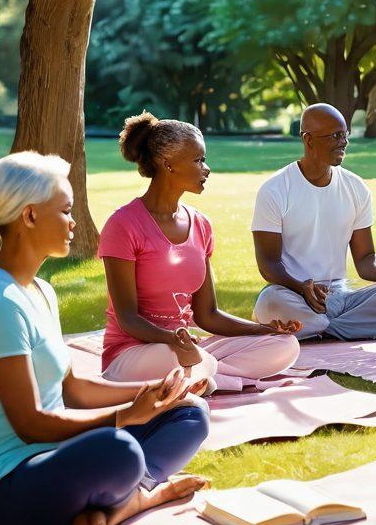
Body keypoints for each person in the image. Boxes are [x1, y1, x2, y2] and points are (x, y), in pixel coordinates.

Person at [0, 152, 210, 525]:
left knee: (191, 414)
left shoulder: (41, 290)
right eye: (65, 211)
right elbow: (30, 425)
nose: (74, 222)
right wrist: (125, 416)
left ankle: (112, 504)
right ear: (29, 216)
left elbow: (72, 390)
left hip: (56, 455)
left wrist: (159, 394)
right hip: (2, 484)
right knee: (119, 449)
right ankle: (140, 499)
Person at [99, 113, 301, 392]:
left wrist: (263, 329)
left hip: (188, 349)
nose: (207, 169)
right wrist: (172, 339)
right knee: (180, 358)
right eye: (198, 160)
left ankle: (203, 379)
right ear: (167, 164)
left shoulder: (201, 225)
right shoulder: (123, 225)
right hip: (135, 353)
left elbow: (208, 314)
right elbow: (128, 318)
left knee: (285, 346)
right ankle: (213, 377)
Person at [252, 103, 376, 339]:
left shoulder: (356, 188)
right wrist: (303, 287)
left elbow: (366, 259)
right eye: (336, 136)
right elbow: (268, 264)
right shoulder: (275, 190)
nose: (344, 142)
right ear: (309, 140)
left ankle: (321, 330)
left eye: (345, 134)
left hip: (340, 297)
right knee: (269, 301)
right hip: (292, 294)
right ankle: (359, 328)